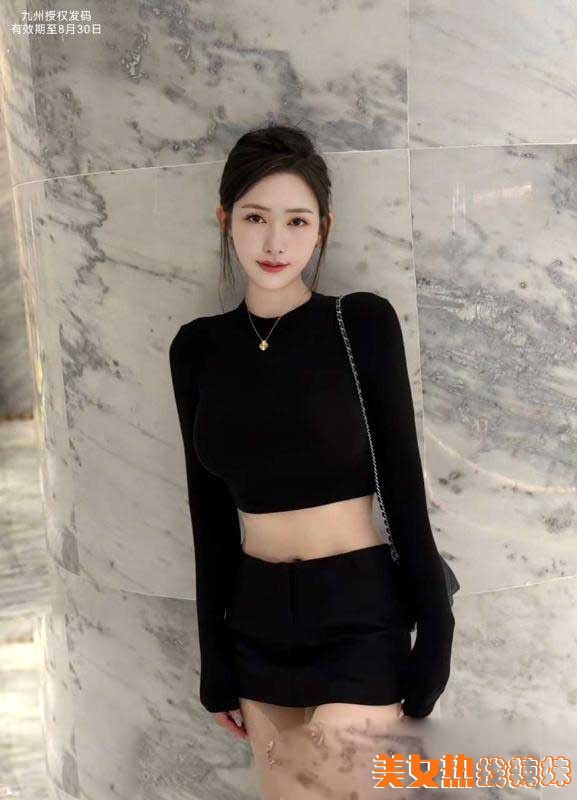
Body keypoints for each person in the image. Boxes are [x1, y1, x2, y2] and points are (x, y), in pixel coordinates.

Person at [169, 124, 455, 795]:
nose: (275, 242)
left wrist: (436, 636)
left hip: (358, 615)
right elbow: (208, 514)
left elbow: (404, 489)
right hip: (257, 620)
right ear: (225, 220)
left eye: (296, 221)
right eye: (255, 218)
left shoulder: (360, 324)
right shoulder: (197, 349)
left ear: (322, 229)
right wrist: (215, 660)